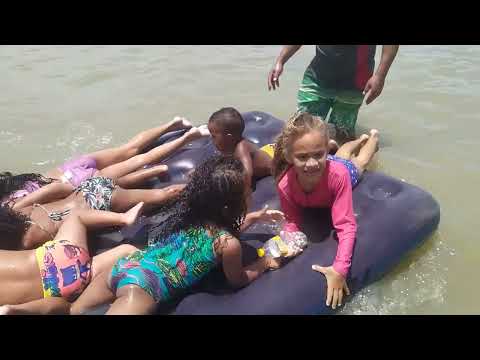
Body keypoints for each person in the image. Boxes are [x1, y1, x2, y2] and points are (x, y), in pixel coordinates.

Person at [69, 155, 300, 315]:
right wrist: (265, 262)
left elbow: (216, 234)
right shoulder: (228, 244)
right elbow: (238, 279)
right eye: (249, 193)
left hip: (126, 267)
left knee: (73, 311)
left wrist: (256, 217)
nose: (251, 194)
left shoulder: (193, 217)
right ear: (231, 207)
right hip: (143, 289)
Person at [272, 112, 379, 309]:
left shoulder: (338, 177)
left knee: (359, 162)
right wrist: (287, 243)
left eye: (318, 154)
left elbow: (346, 225)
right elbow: (292, 221)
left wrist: (340, 269)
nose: (311, 163)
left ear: (325, 150)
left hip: (342, 170)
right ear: (288, 156)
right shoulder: (285, 185)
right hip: (331, 163)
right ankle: (359, 140)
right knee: (342, 155)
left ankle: (372, 138)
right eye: (302, 157)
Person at [1, 116, 207, 208]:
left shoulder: (11, 206)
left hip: (77, 181)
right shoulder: (14, 184)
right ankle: (173, 124)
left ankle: (187, 138)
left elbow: (54, 192)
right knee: (127, 148)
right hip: (70, 166)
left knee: (140, 159)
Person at [0, 203, 144, 315]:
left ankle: (14, 309)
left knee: (125, 252)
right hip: (53, 256)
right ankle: (123, 217)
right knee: (76, 217)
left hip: (60, 288)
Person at [267, 45, 399, 141]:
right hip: (317, 78)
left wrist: (380, 76)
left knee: (343, 134)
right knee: (300, 129)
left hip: (355, 83)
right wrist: (280, 61)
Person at [207, 107, 274, 191]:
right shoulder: (230, 146)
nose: (211, 139)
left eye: (213, 136)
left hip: (272, 167)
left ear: (228, 138)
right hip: (265, 152)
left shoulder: (241, 148)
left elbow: (247, 174)